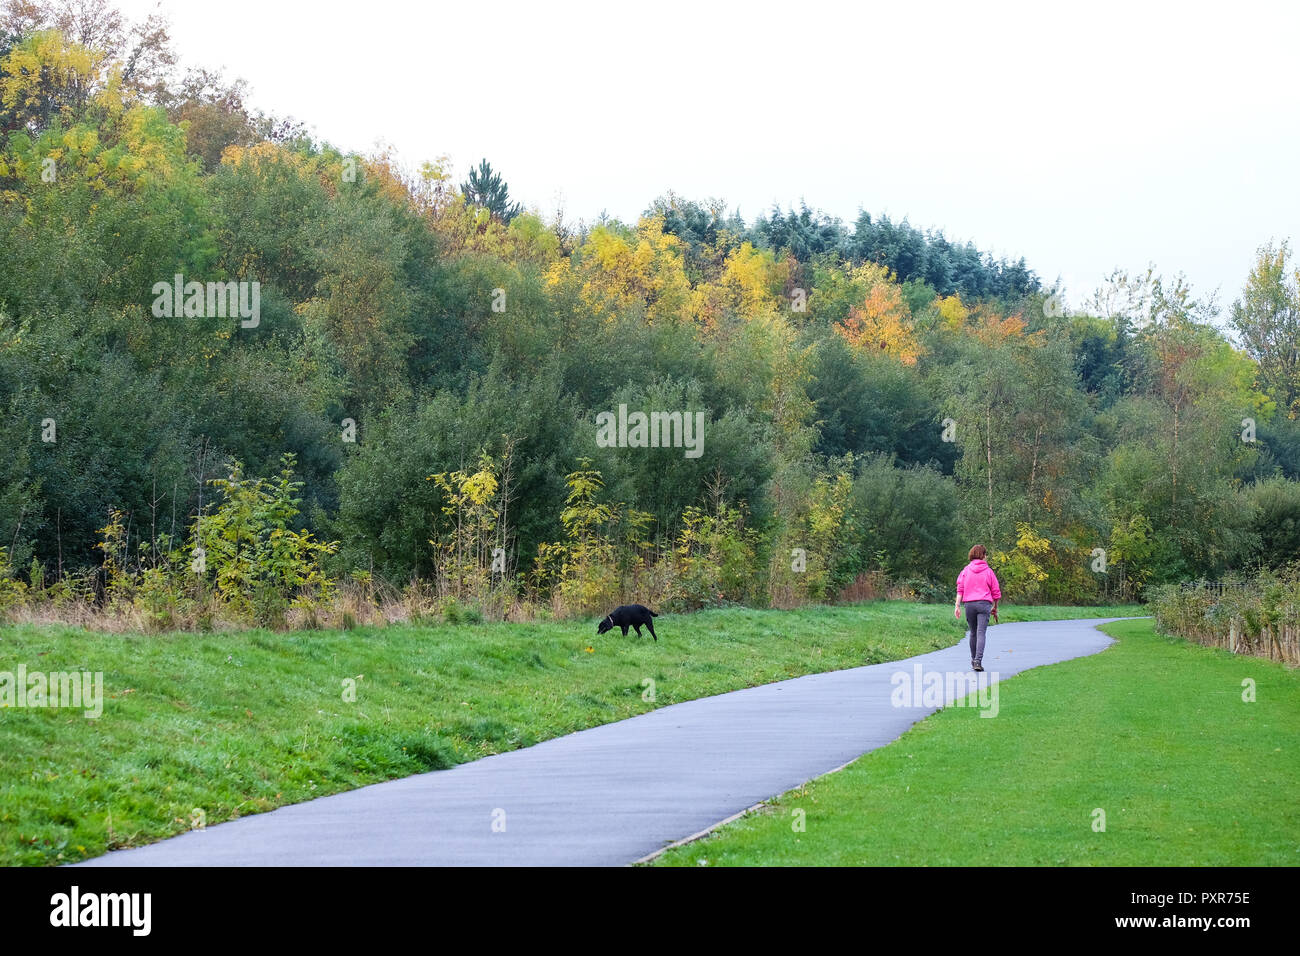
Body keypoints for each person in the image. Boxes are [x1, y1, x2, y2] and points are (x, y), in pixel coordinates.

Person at [953, 545, 1001, 672]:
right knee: (981, 633)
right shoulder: (989, 571)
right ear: (983, 555)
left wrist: (957, 606)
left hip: (969, 605)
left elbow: (960, 589)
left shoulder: (965, 571)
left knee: (973, 633)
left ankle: (973, 659)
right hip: (984, 604)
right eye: (986, 555)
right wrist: (995, 607)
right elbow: (996, 592)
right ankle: (977, 661)